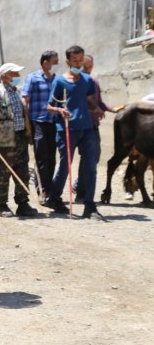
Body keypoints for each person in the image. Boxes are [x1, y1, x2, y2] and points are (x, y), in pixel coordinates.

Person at [46, 45, 105, 219]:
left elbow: (88, 100)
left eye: (81, 60)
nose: (78, 64)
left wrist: (97, 109)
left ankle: (89, 205)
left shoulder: (88, 80)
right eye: (75, 61)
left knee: (90, 167)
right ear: (68, 61)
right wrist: (60, 111)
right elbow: (49, 106)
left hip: (87, 128)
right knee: (65, 166)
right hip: (66, 129)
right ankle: (54, 198)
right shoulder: (59, 81)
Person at [0, 63, 39, 218]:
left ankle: (22, 203)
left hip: (19, 138)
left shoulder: (15, 92)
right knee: (2, 173)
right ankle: (2, 204)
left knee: (22, 171)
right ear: (4, 76)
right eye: (14, 74)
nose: (18, 77)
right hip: (4, 140)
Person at [74, 54, 114, 201]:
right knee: (87, 157)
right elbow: (83, 101)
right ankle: (80, 193)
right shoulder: (78, 80)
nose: (88, 69)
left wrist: (112, 108)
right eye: (85, 66)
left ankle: (80, 186)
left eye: (90, 66)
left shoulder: (94, 80)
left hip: (93, 124)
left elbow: (99, 101)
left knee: (93, 157)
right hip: (80, 124)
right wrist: (96, 109)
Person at [21, 50, 59, 204]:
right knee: (41, 158)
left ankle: (49, 188)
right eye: (54, 62)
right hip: (38, 122)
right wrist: (27, 123)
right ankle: (41, 190)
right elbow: (25, 100)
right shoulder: (33, 78)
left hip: (53, 122)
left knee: (51, 158)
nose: (56, 65)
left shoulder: (56, 80)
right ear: (45, 63)